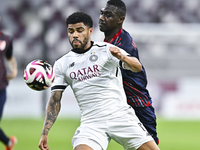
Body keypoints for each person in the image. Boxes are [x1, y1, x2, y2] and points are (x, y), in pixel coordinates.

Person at [38, 12, 160, 150]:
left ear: (90, 31)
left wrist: (122, 57)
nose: (75, 35)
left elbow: (137, 67)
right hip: (92, 124)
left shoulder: (106, 50)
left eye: (79, 30)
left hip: (121, 117)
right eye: (71, 31)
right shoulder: (62, 64)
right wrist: (45, 132)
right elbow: (55, 100)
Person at [99, 0, 159, 145]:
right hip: (120, 102)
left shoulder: (123, 44)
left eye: (108, 15)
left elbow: (136, 66)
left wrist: (122, 57)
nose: (102, 18)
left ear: (120, 19)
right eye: (102, 13)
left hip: (137, 102)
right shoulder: (109, 40)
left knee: (149, 145)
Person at [0, 16, 17, 150]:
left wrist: (14, 70)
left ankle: (8, 142)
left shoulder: (5, 39)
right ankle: (8, 142)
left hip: (1, 88)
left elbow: (9, 57)